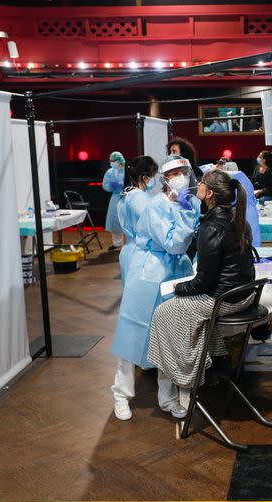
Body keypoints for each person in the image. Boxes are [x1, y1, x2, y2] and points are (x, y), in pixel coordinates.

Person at [148, 168, 255, 411]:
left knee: (163, 313)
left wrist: (179, 287)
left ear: (209, 194)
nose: (196, 186)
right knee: (179, 313)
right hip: (243, 294)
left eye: (201, 184)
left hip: (225, 299)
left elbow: (203, 283)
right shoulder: (236, 219)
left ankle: (187, 379)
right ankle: (214, 364)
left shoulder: (212, 227)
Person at [110, 154, 201, 421]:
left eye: (185, 172)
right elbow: (174, 243)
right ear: (165, 178)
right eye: (176, 173)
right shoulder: (155, 206)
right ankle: (121, 393)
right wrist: (186, 214)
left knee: (168, 334)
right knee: (133, 331)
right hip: (149, 271)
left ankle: (168, 397)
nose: (183, 177)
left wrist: (187, 209)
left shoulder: (189, 203)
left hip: (175, 272)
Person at [117, 155, 159, 285]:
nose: (153, 180)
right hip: (141, 253)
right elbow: (151, 225)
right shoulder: (139, 197)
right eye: (152, 175)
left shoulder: (126, 194)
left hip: (129, 250)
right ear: (144, 177)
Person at [221, 161, 261, 247]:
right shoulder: (245, 178)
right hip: (251, 215)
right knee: (253, 248)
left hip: (238, 215)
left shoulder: (227, 179)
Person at [102, 151, 127, 250]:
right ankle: (117, 243)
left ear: (120, 160)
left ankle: (130, 244)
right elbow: (105, 185)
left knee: (127, 220)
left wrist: (124, 185)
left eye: (113, 160)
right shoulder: (110, 172)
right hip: (116, 197)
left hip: (127, 197)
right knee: (115, 221)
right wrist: (111, 186)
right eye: (110, 161)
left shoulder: (128, 170)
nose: (111, 162)